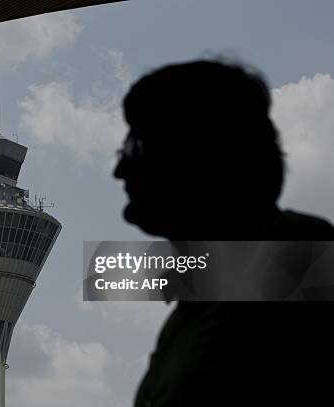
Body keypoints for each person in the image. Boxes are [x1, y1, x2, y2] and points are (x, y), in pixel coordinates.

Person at [113, 60, 334, 406]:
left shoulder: (302, 264)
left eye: (137, 148)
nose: (120, 170)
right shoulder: (201, 302)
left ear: (203, 155)